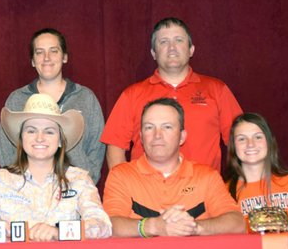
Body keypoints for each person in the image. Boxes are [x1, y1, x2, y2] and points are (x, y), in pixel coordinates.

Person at [0, 94, 111, 242]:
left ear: (61, 140)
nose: (39, 138)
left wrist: (59, 231)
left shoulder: (79, 179)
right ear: (21, 138)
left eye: (49, 132)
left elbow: (103, 226)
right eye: (31, 131)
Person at [101, 17, 242, 172]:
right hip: (147, 193)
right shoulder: (131, 95)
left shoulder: (217, 90)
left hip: (204, 192)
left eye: (179, 40)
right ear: (153, 53)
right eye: (163, 42)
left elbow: (240, 141)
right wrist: (124, 190)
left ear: (191, 50)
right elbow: (115, 147)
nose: (172, 47)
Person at [103, 98, 245, 237]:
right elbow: (108, 225)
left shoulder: (206, 176)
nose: (157, 135)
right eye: (149, 127)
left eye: (167, 127)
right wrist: (153, 226)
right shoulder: (121, 175)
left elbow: (238, 223)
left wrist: (194, 228)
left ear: (182, 137)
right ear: (141, 137)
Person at [0, 28, 105, 183]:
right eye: (39, 52)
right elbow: (6, 150)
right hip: (27, 192)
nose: (46, 58)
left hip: (75, 190)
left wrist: (87, 180)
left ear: (65, 57)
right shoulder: (17, 100)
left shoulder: (86, 98)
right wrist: (18, 186)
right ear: (33, 61)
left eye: (53, 51)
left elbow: (97, 148)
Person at [225, 113, 288, 232]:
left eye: (258, 137)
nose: (250, 144)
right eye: (242, 139)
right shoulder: (223, 193)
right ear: (233, 146)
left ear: (269, 142)